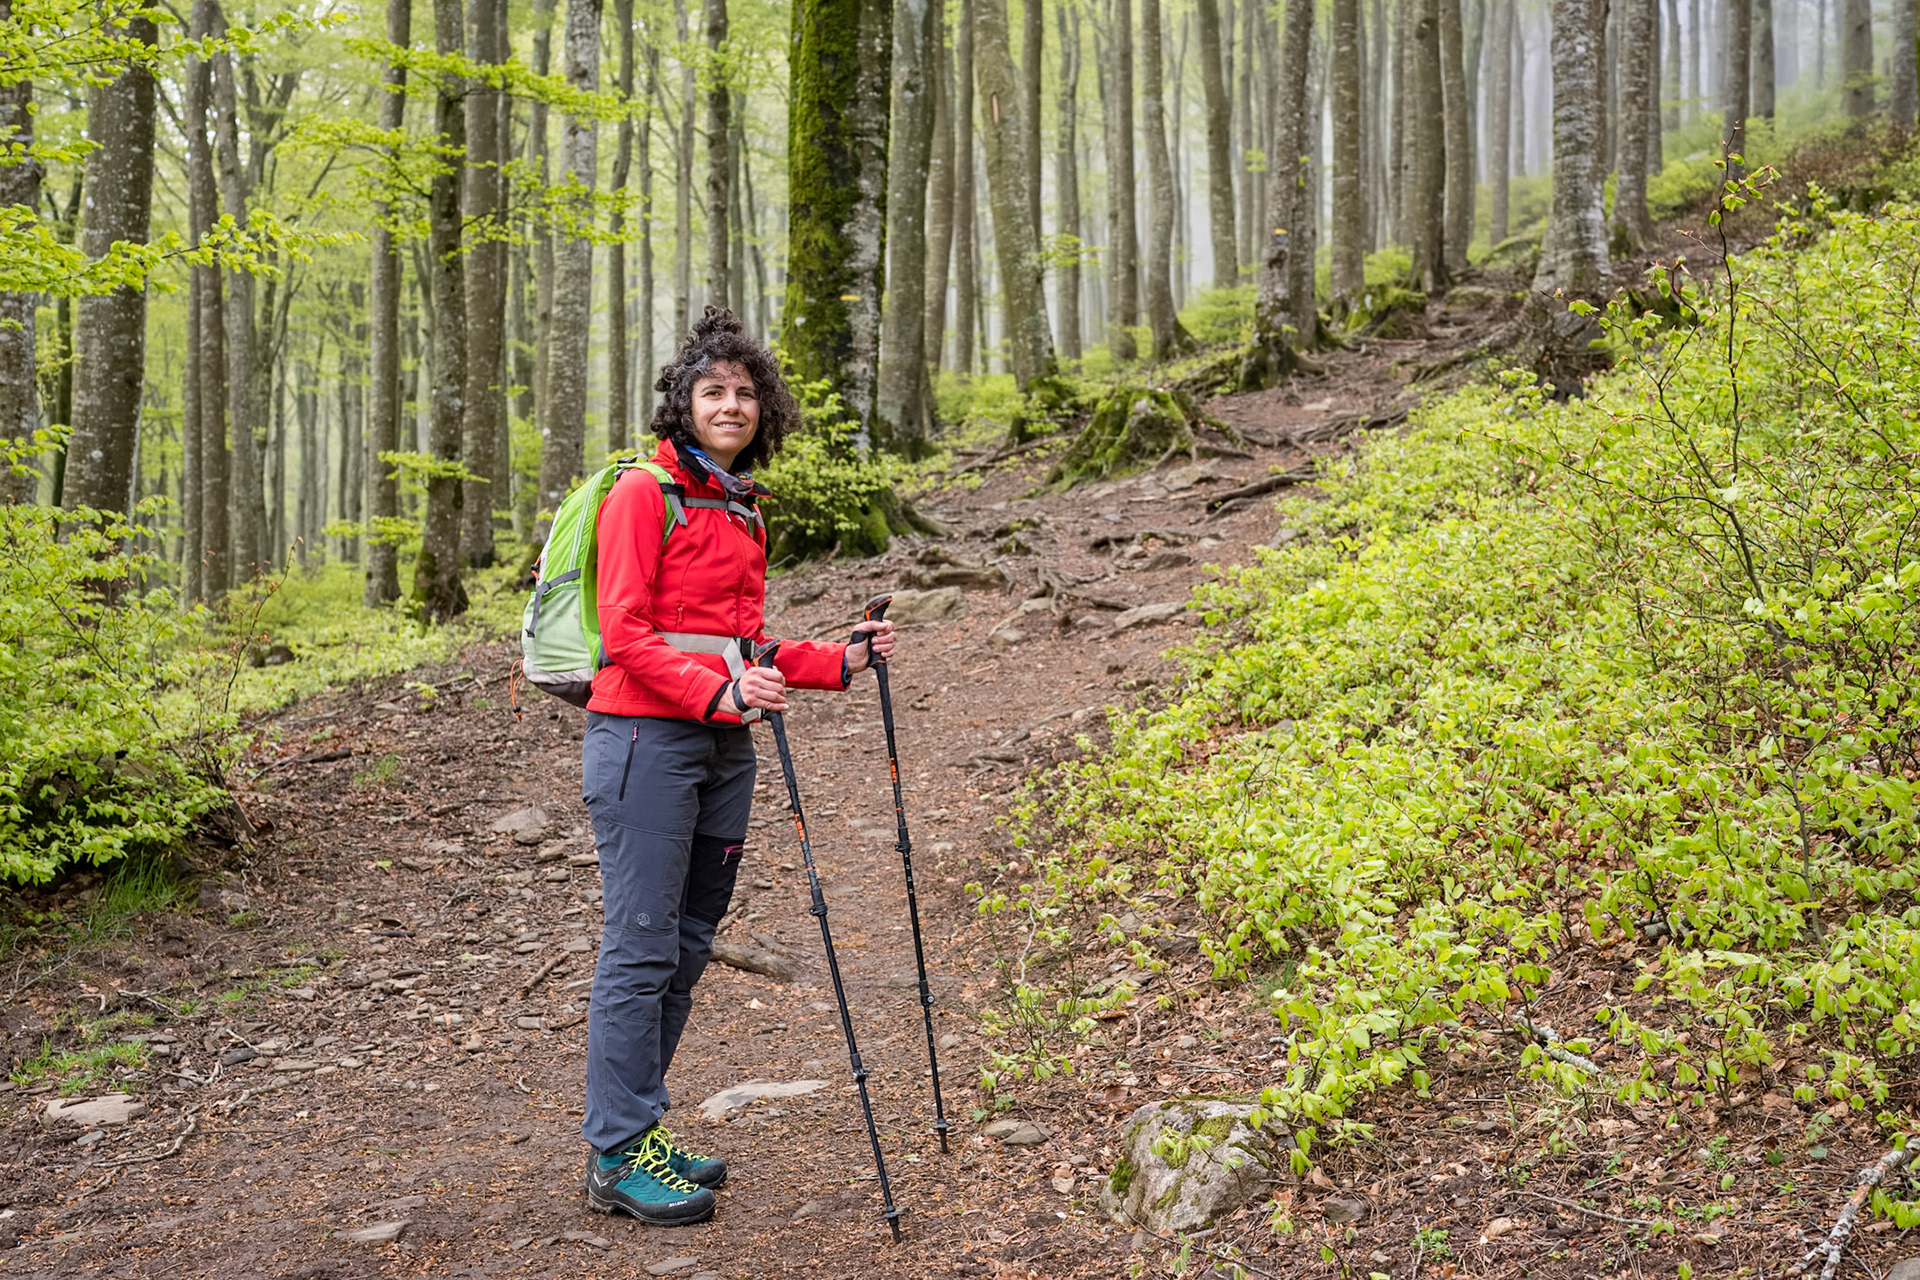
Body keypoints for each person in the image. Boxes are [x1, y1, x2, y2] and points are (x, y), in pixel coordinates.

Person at [577, 308, 895, 1226]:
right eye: (712, 391)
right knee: (641, 946)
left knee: (686, 945)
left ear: (765, 410)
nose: (731, 405)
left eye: (745, 393)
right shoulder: (644, 494)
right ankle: (615, 1153)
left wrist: (840, 659)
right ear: (683, 404)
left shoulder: (741, 504)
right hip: (644, 740)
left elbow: (742, 643)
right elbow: (624, 632)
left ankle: (638, 1130)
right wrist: (719, 694)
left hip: (723, 748)